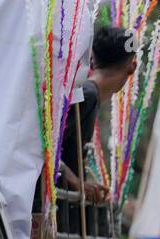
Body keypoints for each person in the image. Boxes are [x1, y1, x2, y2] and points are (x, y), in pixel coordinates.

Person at [59, 26, 138, 204]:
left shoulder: (88, 94)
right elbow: (44, 146)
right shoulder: (87, 95)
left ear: (93, 58)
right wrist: (77, 182)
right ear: (132, 66)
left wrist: (86, 184)